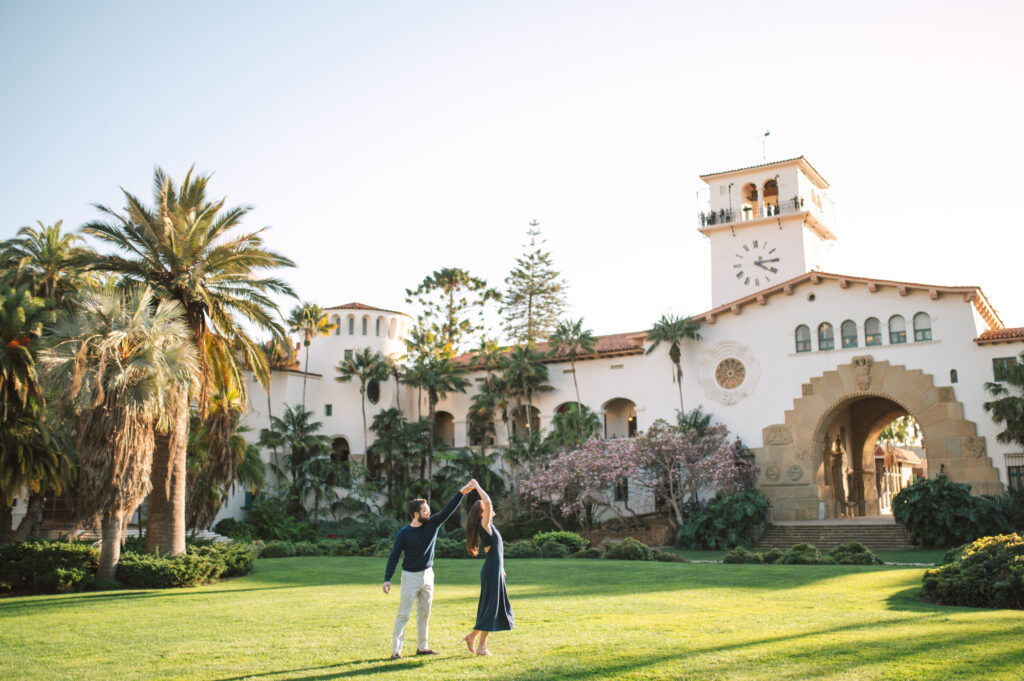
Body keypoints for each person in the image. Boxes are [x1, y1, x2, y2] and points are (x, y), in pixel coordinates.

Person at [383, 481, 475, 660]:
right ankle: (396, 651)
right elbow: (394, 556)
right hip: (410, 577)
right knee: (404, 614)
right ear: (416, 514)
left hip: (428, 575)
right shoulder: (404, 533)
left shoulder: (432, 524)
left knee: (425, 613)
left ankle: (422, 647)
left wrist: (462, 492)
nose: (429, 513)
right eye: (425, 511)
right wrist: (387, 578)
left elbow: (448, 510)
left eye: (429, 510)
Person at [462, 480, 514, 656]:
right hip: (491, 571)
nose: (491, 508)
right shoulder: (485, 526)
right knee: (491, 608)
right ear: (482, 513)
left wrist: (501, 568)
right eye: (486, 508)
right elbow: (488, 501)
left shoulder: (489, 526)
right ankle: (481, 647)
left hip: (494, 570)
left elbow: (494, 551)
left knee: (491, 607)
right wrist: (477, 487)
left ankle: (472, 637)